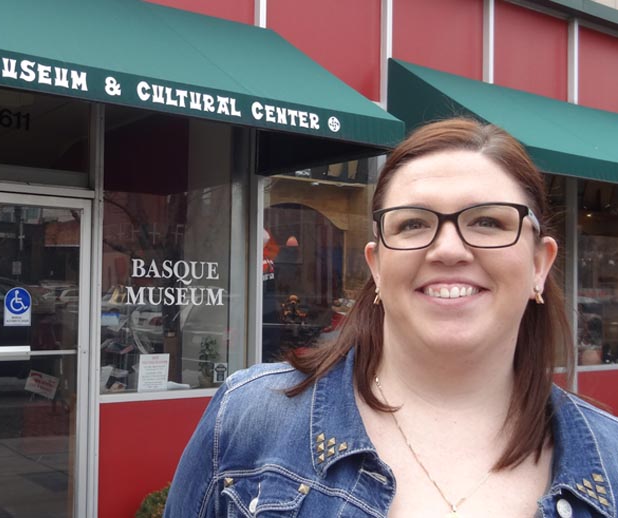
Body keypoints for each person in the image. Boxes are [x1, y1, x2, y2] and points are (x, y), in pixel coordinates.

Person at [163, 118, 618, 518]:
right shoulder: (249, 420)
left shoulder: (610, 463)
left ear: (539, 264)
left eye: (487, 222)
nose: (448, 250)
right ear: (377, 266)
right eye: (413, 223)